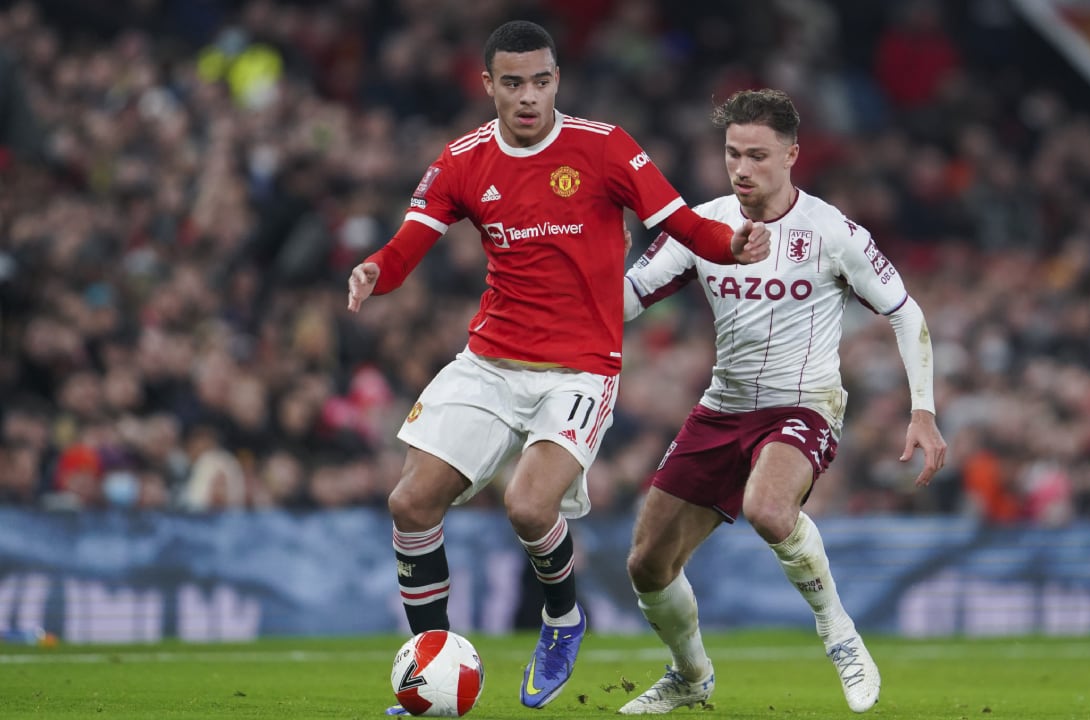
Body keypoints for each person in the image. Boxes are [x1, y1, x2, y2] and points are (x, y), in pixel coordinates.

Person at [345, 21, 771, 714]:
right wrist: (372, 271)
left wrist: (732, 243)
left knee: (528, 503)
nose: (527, 96)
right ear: (488, 85)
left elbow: (681, 223)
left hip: (579, 369)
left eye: (540, 81)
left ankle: (563, 618)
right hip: (488, 362)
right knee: (410, 502)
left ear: (556, 82)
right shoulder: (462, 160)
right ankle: (433, 666)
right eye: (512, 83)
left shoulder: (604, 148)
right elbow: (406, 245)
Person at [618, 89, 947, 715]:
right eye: (733, 154)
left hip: (804, 405)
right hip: (723, 407)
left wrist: (923, 410)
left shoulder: (832, 232)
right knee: (646, 566)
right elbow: (628, 299)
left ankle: (841, 636)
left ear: (793, 154)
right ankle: (690, 677)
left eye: (758, 156)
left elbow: (906, 314)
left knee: (768, 509)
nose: (742, 169)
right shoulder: (701, 225)